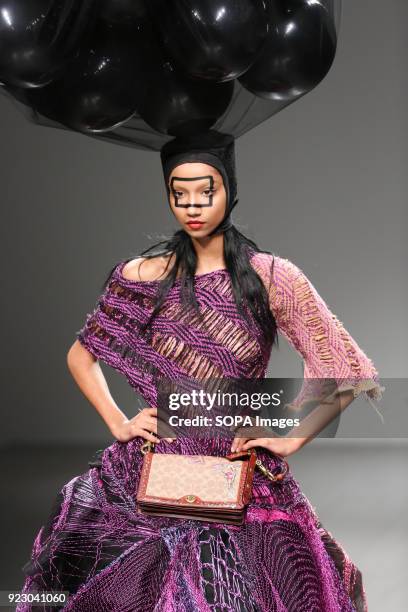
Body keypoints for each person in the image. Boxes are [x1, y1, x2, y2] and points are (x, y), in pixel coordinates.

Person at [17, 130, 383, 611]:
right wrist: (118, 422)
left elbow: (344, 367)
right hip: (151, 469)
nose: (192, 205)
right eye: (179, 193)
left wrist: (291, 434)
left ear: (230, 190)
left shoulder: (270, 276)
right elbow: (81, 354)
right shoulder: (141, 276)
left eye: (205, 191)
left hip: (236, 470)